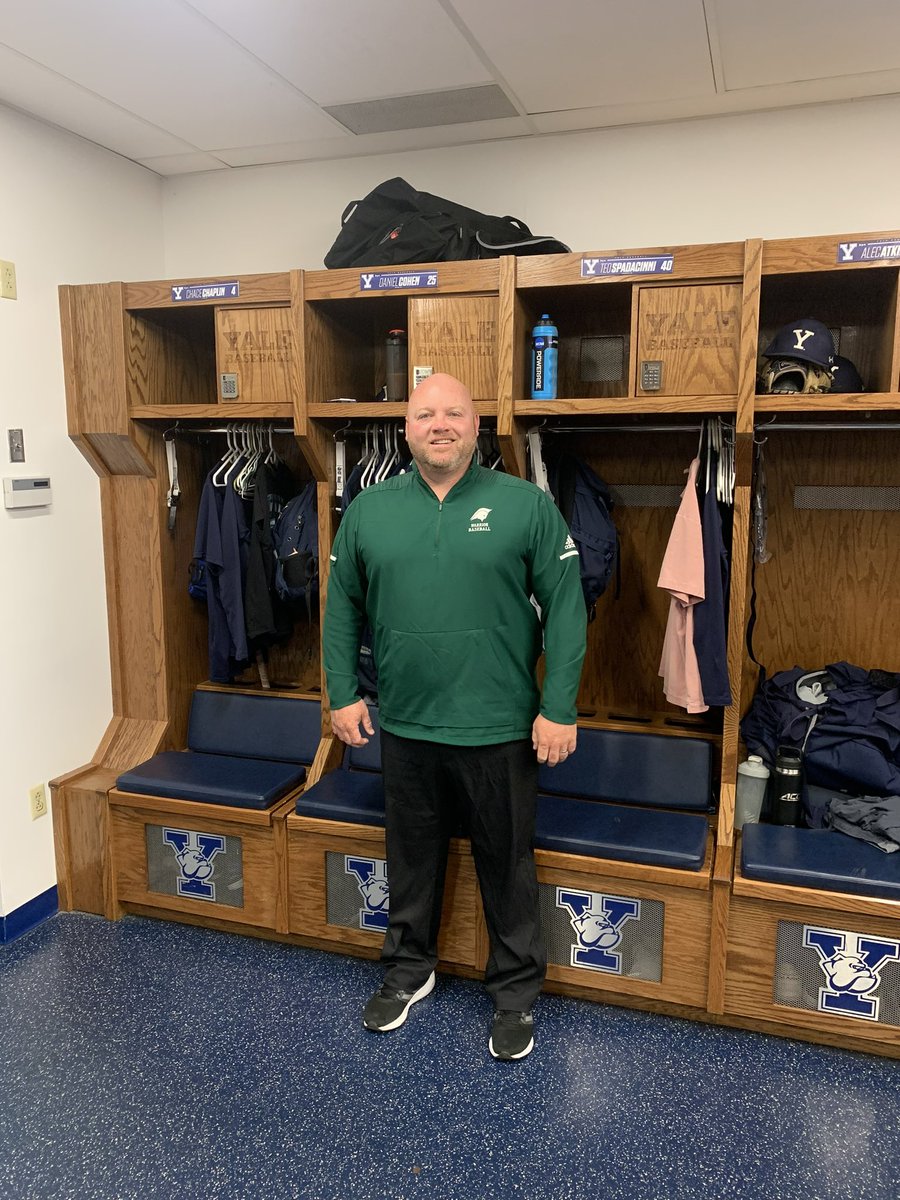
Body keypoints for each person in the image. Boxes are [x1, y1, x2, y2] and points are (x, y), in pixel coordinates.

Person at [322, 372, 587, 1061]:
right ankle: (410, 971)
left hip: (500, 728)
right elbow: (341, 606)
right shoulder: (368, 510)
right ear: (406, 429)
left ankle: (516, 992)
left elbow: (565, 608)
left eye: (454, 414)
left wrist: (559, 707)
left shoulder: (525, 505)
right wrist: (341, 693)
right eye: (426, 414)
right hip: (405, 725)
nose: (440, 424)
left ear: (477, 427)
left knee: (507, 865)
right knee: (410, 862)